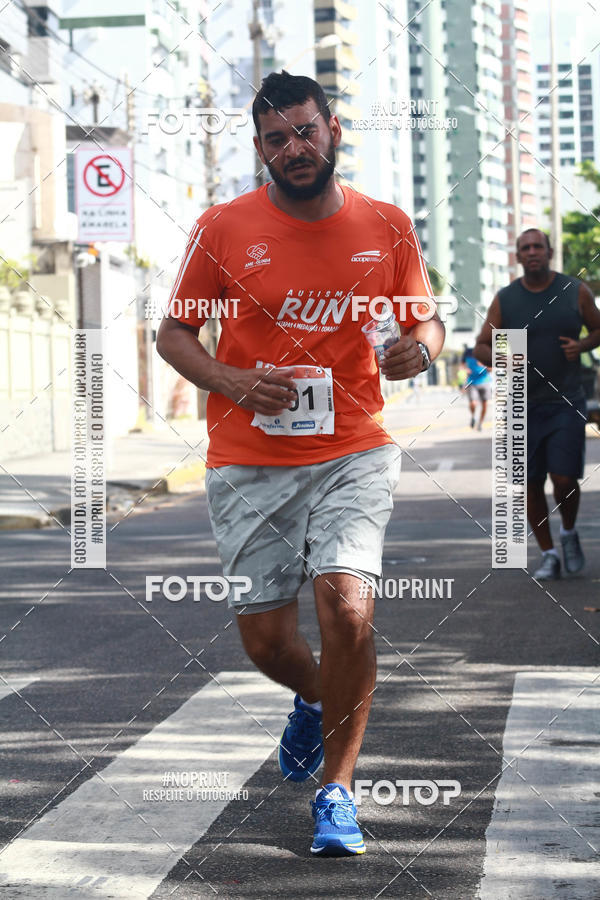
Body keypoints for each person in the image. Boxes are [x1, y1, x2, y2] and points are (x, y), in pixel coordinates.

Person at [157, 71, 445, 855]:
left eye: (306, 131)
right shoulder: (223, 228)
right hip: (250, 457)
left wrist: (420, 349)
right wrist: (233, 380)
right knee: (266, 645)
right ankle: (317, 701)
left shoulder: (386, 225)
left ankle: (338, 792)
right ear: (260, 149)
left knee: (348, 607)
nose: (295, 148)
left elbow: (424, 320)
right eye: (277, 138)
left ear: (334, 130)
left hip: (354, 446)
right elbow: (175, 334)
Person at [474, 228, 600, 580]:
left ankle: (569, 532)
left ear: (549, 252)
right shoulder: (506, 298)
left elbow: (598, 329)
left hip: (565, 400)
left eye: (538, 247)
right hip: (521, 406)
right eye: (525, 248)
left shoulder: (574, 291)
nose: (532, 252)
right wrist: (504, 356)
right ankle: (548, 554)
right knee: (530, 482)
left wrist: (583, 346)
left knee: (563, 478)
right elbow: (482, 345)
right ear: (518, 257)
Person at [462, 346, 491, 430]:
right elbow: (462, 364)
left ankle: (480, 423)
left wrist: (484, 365)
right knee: (473, 403)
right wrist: (465, 369)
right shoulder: (468, 352)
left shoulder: (486, 352)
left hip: (485, 382)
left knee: (485, 405)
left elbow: (491, 368)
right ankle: (473, 416)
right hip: (472, 382)